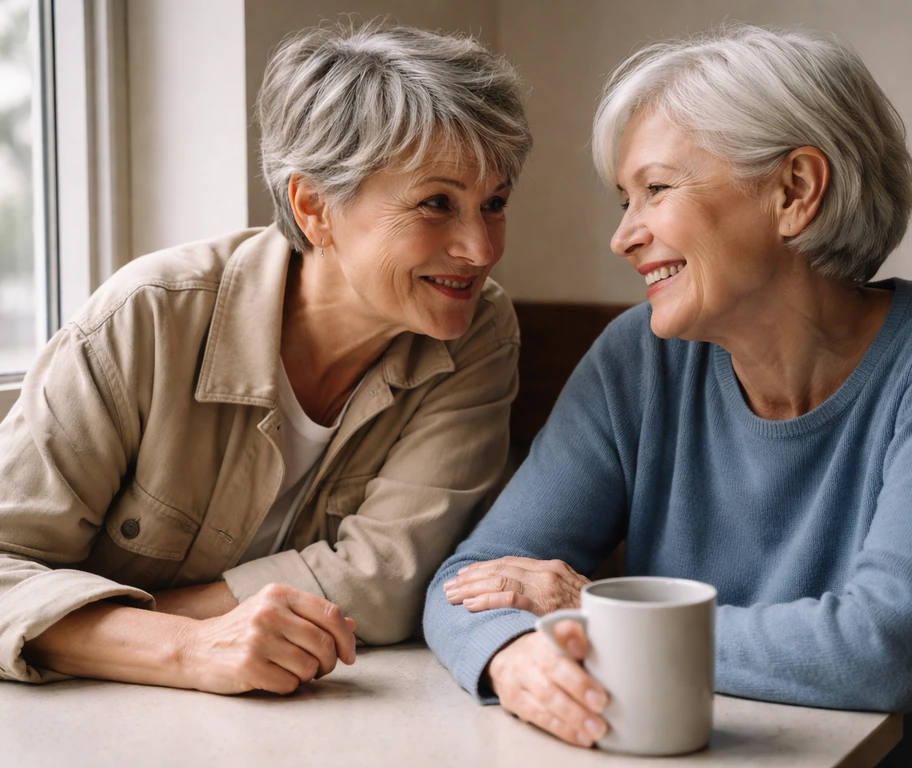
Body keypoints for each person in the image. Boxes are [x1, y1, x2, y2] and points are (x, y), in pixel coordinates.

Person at [424, 25, 912, 767]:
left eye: (656, 189)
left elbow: (888, 647)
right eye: (624, 198)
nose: (624, 236)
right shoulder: (639, 356)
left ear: (795, 191)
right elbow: (469, 582)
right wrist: (510, 657)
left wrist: (588, 612)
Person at [0, 21, 531, 695]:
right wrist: (184, 647)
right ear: (315, 207)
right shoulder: (147, 318)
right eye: (436, 203)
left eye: (495, 204)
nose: (481, 249)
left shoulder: (477, 331)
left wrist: (92, 628)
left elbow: (388, 581)